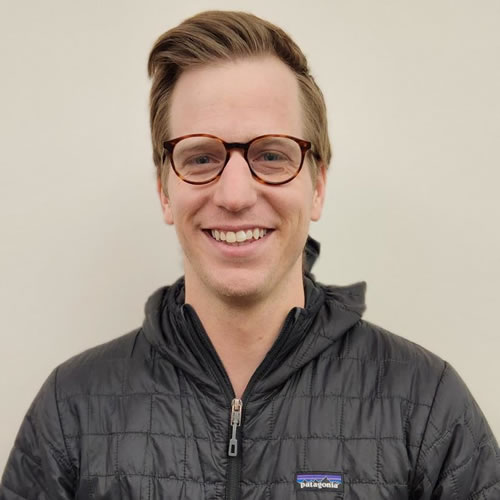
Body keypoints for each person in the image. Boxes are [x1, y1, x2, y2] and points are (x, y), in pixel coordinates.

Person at [1, 10, 499, 500]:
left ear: (318, 186)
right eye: (201, 157)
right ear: (164, 192)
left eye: (272, 155)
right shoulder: (71, 410)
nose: (235, 195)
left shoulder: (427, 407)